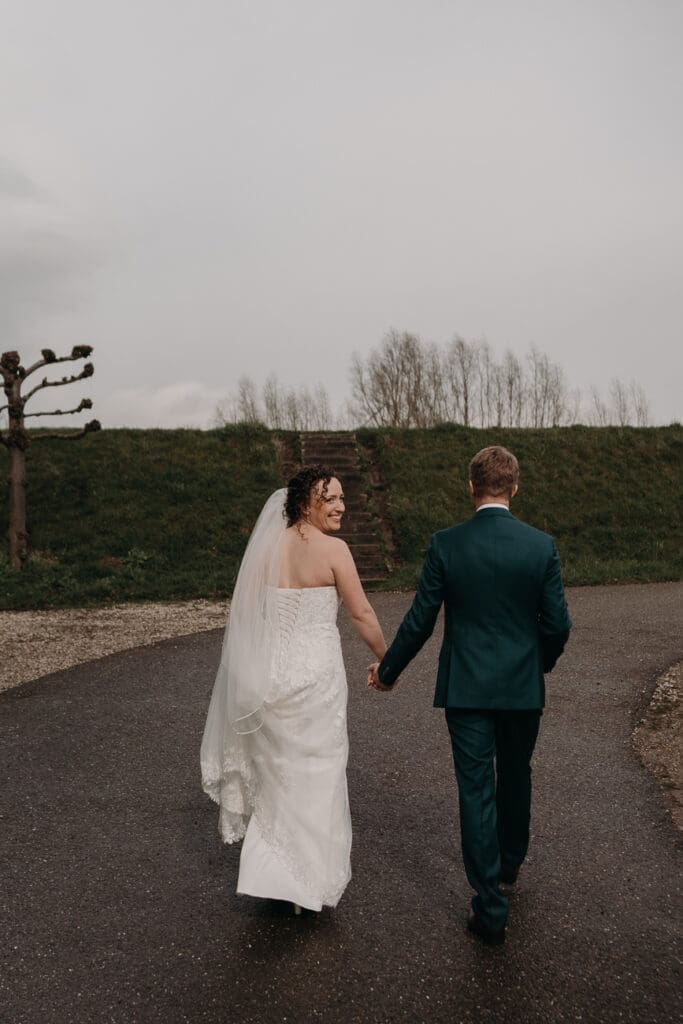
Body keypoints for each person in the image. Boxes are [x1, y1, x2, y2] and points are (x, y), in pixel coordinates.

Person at [369, 445, 571, 945]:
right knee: (517, 772)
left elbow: (421, 619)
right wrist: (536, 665)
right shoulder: (540, 546)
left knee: (476, 788)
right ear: (515, 488)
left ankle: (490, 908)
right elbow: (559, 626)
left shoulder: (447, 544)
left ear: (471, 487)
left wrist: (389, 670)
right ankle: (510, 863)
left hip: (466, 688)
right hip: (524, 688)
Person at [201, 466, 386, 913]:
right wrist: (388, 658)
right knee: (318, 775)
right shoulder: (335, 551)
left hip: (269, 677)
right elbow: (360, 612)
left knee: (276, 777)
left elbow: (251, 616)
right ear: (307, 503)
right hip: (317, 679)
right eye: (332, 499)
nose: (342, 506)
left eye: (343, 498)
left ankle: (273, 875)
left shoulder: (267, 549)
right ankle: (305, 882)